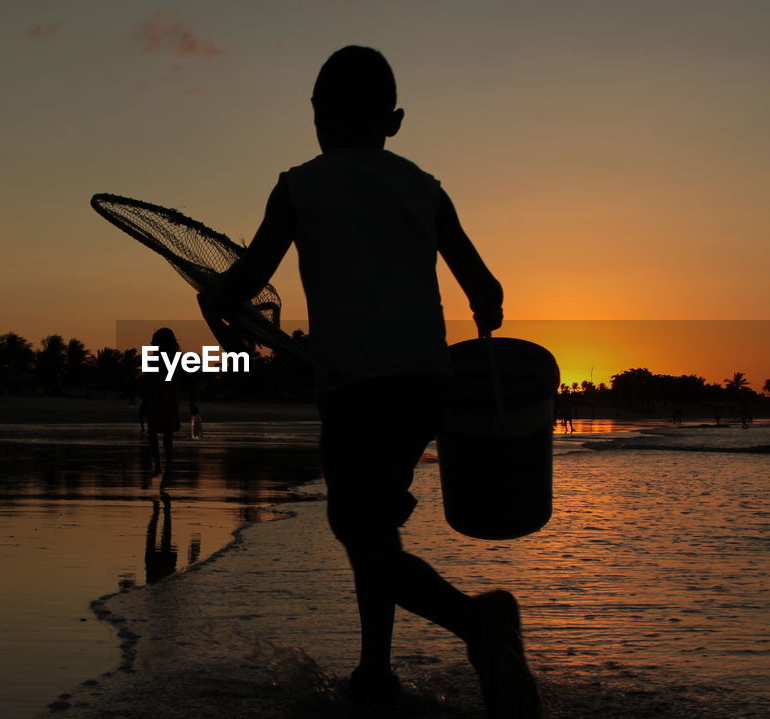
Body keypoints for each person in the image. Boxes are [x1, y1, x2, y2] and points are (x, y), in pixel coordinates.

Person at [209, 46, 545, 718]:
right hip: (427, 385)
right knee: (373, 523)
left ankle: (476, 621)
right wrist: (483, 307)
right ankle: (374, 672)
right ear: (392, 121)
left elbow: (245, 283)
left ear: (316, 117)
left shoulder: (298, 186)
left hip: (356, 386)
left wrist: (212, 295)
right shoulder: (426, 187)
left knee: (355, 524)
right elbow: (487, 288)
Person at [138, 327, 198, 478]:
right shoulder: (174, 359)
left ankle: (159, 466)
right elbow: (190, 382)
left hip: (160, 399)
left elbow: (147, 382)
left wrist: (144, 401)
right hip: (166, 399)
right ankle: (164, 467)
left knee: (156, 434)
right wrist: (192, 402)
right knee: (166, 437)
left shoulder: (161, 359)